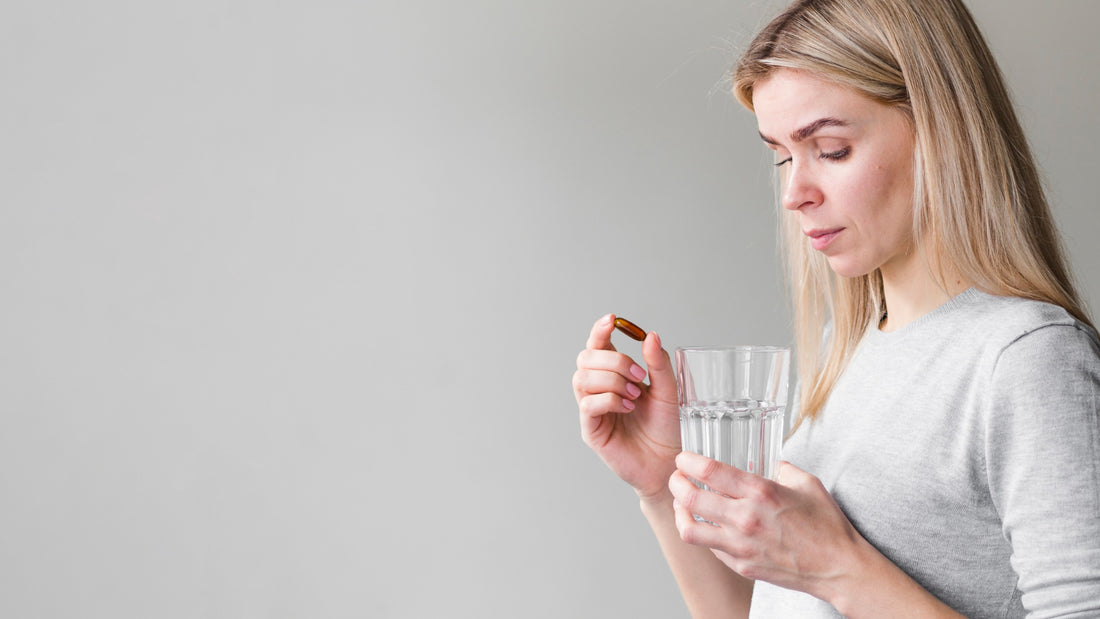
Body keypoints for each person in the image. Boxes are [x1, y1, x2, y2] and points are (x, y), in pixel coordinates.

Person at [571, 0, 1100, 616]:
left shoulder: (1028, 360)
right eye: (781, 156)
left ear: (941, 129)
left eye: (831, 148)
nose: (794, 193)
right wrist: (663, 485)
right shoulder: (845, 346)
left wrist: (837, 565)